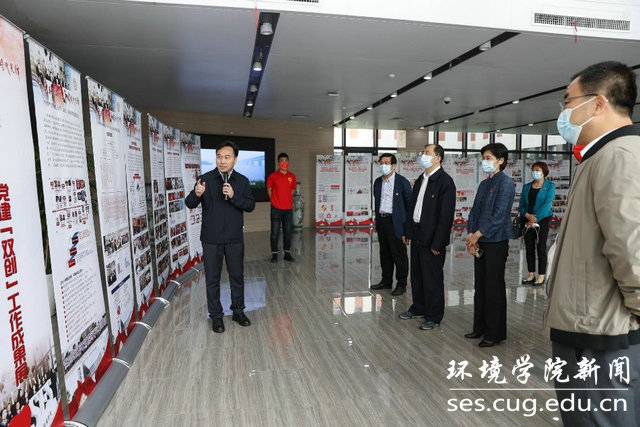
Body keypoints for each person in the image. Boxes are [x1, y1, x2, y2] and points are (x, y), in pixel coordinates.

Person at [544, 61, 640, 426]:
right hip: (590, 326)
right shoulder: (602, 155)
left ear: (598, 103)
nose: (564, 111)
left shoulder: (620, 156)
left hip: (601, 335)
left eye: (569, 101)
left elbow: (632, 250)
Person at [185, 140, 256, 333]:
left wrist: (233, 196)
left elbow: (250, 206)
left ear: (235, 159)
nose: (222, 161)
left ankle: (238, 311)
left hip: (234, 238)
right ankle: (216, 316)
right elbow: (190, 203)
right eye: (219, 157)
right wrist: (196, 193)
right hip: (211, 238)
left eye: (227, 157)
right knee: (212, 279)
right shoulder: (205, 179)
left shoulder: (242, 181)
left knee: (237, 277)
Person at [400, 144, 456, 330]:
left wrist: (438, 243)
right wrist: (408, 232)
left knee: (432, 279)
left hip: (432, 238)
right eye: (423, 152)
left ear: (438, 158)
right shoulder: (421, 178)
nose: (423, 156)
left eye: (427, 153)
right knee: (417, 276)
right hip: (417, 234)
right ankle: (418, 308)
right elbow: (413, 208)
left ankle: (433, 316)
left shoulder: (445, 182)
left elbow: (445, 217)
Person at [465, 143, 515, 347]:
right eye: (483, 158)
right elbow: (474, 211)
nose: (484, 162)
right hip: (480, 240)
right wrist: (471, 234)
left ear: (500, 160)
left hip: (496, 241)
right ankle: (479, 327)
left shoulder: (506, 183)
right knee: (481, 286)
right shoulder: (484, 184)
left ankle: (493, 334)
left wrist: (477, 235)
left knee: (493, 288)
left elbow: (499, 216)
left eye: (488, 158)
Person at [371, 153, 412, 295]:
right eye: (381, 163)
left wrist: (407, 229)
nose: (383, 165)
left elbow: (409, 206)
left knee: (399, 254)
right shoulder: (378, 182)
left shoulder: (402, 182)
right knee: (385, 253)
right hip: (382, 221)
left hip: (397, 223)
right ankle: (386, 281)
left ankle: (401, 284)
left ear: (394, 166)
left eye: (386, 163)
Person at [519, 162, 555, 286]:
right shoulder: (527, 187)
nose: (535, 172)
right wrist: (527, 215)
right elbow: (522, 204)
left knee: (541, 248)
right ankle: (531, 274)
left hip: (542, 220)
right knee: (529, 248)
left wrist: (536, 218)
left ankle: (541, 275)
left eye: (538, 170)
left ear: (544, 172)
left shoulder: (550, 186)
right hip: (527, 220)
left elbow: (547, 204)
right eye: (533, 170)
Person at [266, 153, 297, 263]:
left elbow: (292, 190)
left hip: (288, 209)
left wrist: (286, 199)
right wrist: (275, 201)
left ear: (288, 162)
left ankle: (287, 254)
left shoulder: (292, 176)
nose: (284, 163)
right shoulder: (273, 176)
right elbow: (269, 190)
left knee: (287, 232)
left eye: (286, 160)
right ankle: (274, 255)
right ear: (278, 163)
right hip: (276, 209)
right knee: (275, 232)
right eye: (282, 160)